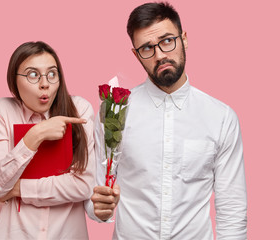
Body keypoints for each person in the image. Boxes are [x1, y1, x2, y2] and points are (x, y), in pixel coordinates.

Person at [87, 2, 247, 239]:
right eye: (147, 48)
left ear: (184, 39)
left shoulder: (221, 118)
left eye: (167, 41)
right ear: (136, 54)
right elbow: (94, 197)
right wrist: (98, 209)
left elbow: (232, 208)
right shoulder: (114, 113)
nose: (160, 55)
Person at [0, 41, 95, 239]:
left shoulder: (79, 109)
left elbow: (83, 185)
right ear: (14, 80)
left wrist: (19, 189)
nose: (45, 83)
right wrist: (35, 136)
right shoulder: (2, 110)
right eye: (33, 75)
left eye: (52, 74)